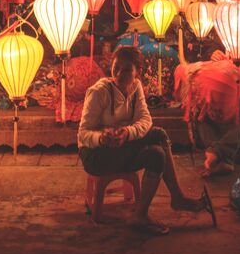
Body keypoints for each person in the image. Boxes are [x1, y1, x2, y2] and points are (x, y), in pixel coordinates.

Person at [78, 46, 212, 235]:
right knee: (157, 145)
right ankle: (165, 204)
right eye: (116, 68)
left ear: (137, 72)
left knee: (157, 144)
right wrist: (102, 137)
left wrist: (128, 132)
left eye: (126, 70)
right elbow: (83, 134)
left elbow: (145, 119)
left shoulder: (136, 87)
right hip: (96, 155)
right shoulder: (99, 92)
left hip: (123, 145)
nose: (119, 74)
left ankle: (156, 207)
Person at [177, 47, 240, 178]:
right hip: (228, 90)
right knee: (202, 106)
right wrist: (215, 57)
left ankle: (218, 153)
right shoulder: (226, 38)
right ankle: (223, 160)